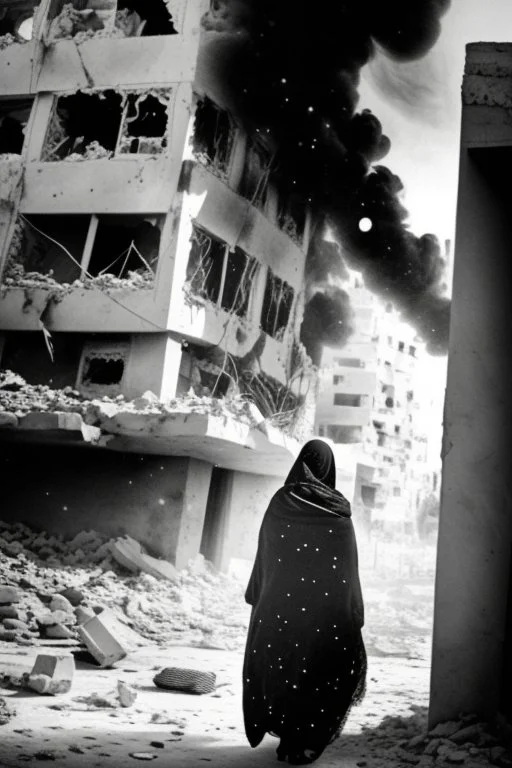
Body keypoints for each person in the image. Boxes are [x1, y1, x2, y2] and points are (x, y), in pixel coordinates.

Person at [243, 439, 366, 765]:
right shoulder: (337, 510)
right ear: (329, 469)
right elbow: (347, 567)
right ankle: (304, 740)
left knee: (284, 671)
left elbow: (265, 555)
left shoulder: (281, 503)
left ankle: (288, 741)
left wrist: (256, 592)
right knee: (316, 674)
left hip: (279, 609)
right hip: (325, 614)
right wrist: (354, 608)